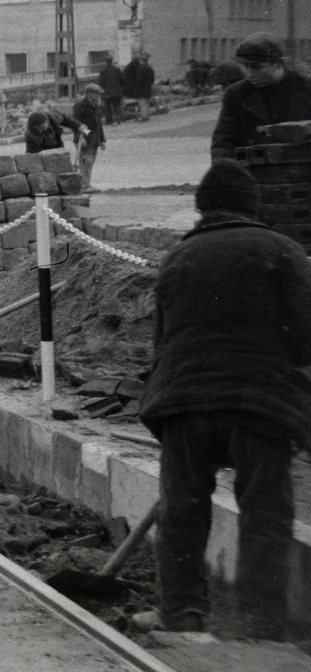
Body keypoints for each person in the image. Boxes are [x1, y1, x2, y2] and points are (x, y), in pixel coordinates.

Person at [135, 161, 311, 639]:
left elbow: (162, 343)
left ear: (203, 207)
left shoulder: (178, 257)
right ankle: (262, 624)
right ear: (252, 205)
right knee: (266, 513)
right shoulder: (285, 252)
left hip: (184, 402)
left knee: (182, 510)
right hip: (259, 406)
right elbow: (306, 341)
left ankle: (180, 615)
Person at [210, 33, 311, 160]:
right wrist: (228, 172)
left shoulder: (307, 90)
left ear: (278, 64)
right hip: (253, 175)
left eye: (256, 67)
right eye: (245, 66)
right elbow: (223, 142)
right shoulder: (236, 94)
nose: (249, 74)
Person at [71, 83, 109, 189]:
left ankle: (86, 184)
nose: (98, 96)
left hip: (94, 138)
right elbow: (75, 123)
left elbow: (99, 124)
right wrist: (80, 137)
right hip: (84, 138)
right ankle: (84, 185)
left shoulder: (96, 106)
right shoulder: (80, 105)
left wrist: (101, 140)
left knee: (90, 162)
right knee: (86, 162)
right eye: (96, 94)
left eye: (99, 94)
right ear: (89, 94)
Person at [123, 50, 155, 122]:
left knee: (142, 103)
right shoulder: (150, 69)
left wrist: (136, 88)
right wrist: (148, 84)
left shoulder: (140, 69)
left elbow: (138, 80)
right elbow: (152, 79)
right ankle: (147, 115)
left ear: (141, 60)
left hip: (141, 89)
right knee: (146, 102)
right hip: (148, 88)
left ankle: (144, 117)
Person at [97, 54, 125, 124]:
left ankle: (109, 121)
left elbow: (101, 82)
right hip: (117, 92)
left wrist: (103, 88)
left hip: (108, 93)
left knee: (108, 107)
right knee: (117, 106)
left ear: (106, 62)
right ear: (111, 61)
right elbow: (122, 80)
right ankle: (119, 119)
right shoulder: (117, 69)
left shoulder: (103, 71)